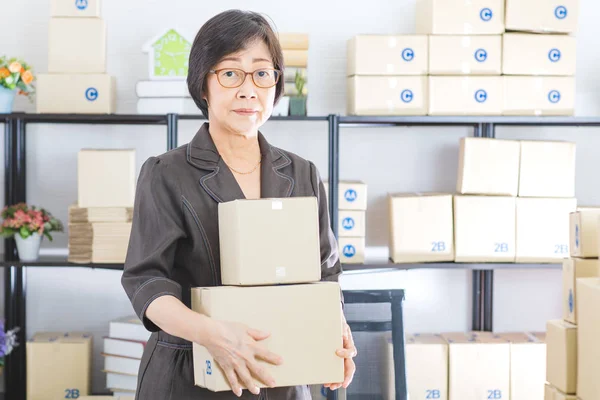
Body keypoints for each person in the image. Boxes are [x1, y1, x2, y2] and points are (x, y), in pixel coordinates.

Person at [121, 9, 357, 399]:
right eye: (230, 73)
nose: (249, 90)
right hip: (191, 375)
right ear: (203, 85)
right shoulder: (166, 173)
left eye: (262, 73)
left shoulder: (302, 173)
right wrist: (213, 334)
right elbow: (146, 283)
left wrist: (337, 329)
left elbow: (327, 274)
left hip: (281, 373)